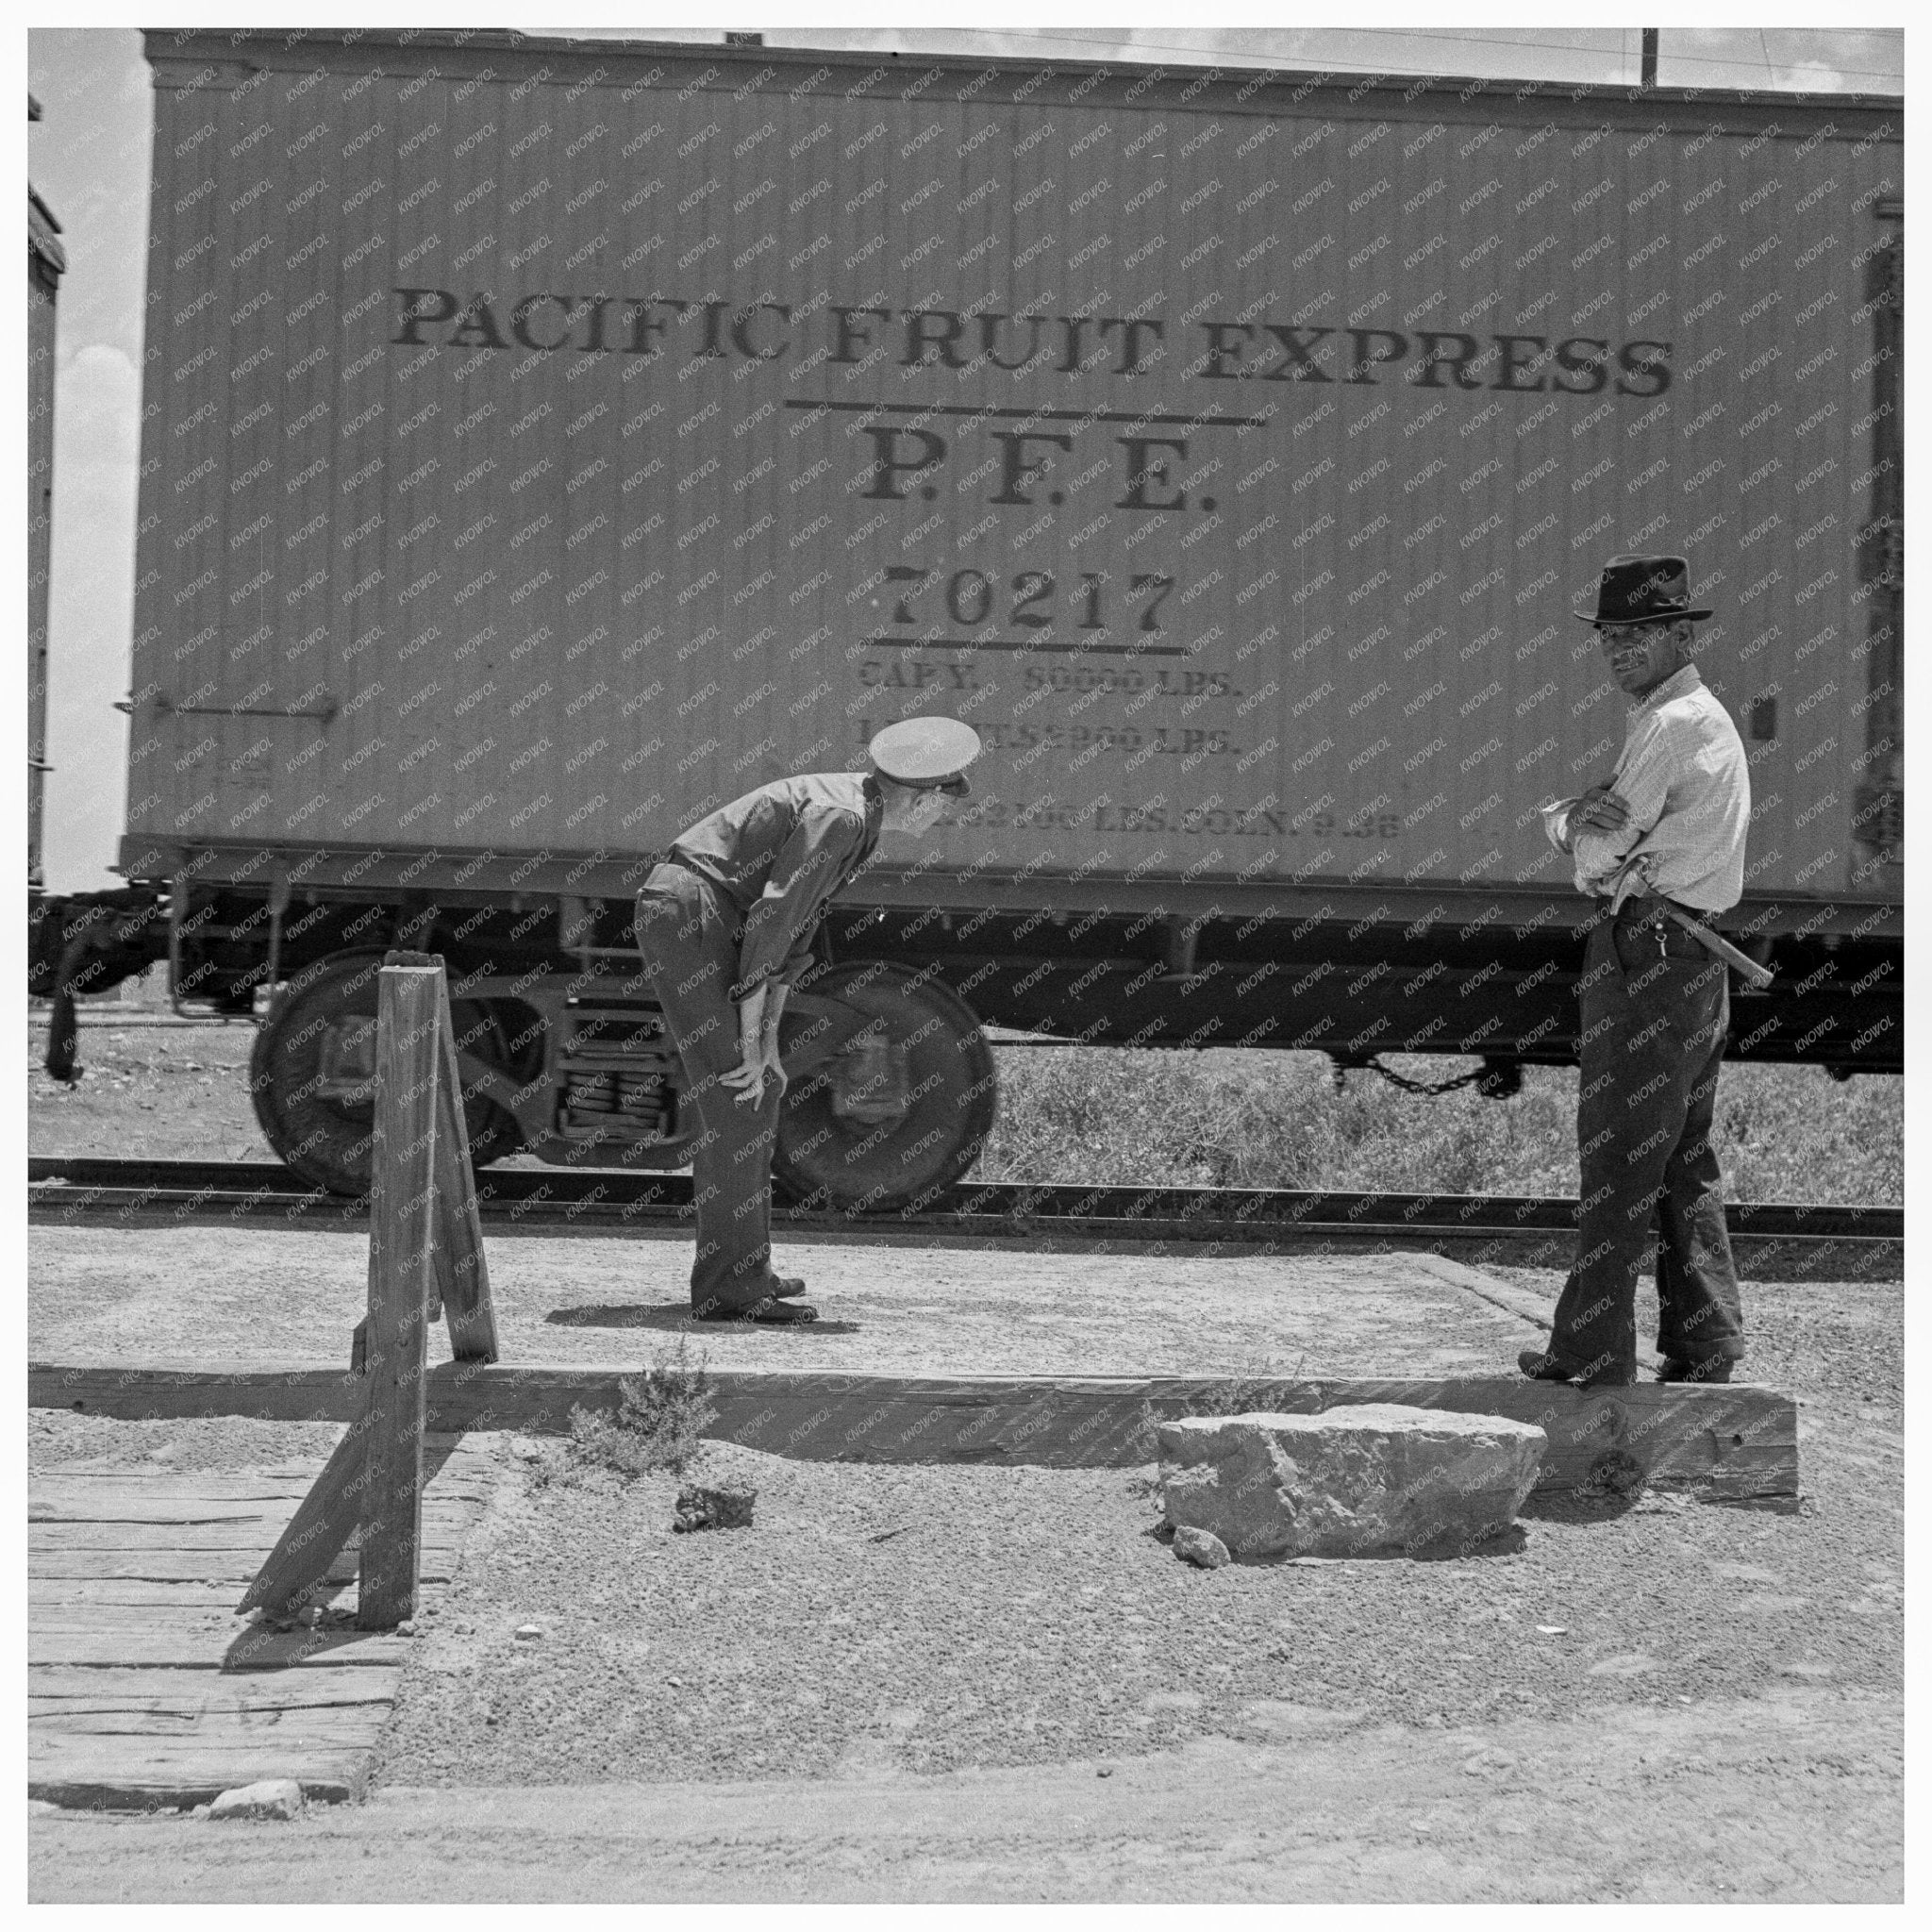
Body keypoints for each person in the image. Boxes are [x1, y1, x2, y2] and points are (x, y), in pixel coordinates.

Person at [633, 717, 981, 1324]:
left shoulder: (854, 809)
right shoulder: (841, 817)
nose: (939, 820)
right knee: (738, 1095)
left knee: (759, 1086)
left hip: (708, 916)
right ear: (925, 796)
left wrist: (766, 1042)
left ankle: (746, 1268)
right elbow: (772, 921)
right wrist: (749, 1040)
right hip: (692, 916)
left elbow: (790, 934)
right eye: (941, 805)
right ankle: (729, 1290)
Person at [1520, 554, 1752, 1389]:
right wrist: (1580, 816)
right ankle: (1703, 1342)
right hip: (1688, 954)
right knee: (1680, 1155)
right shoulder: (1686, 717)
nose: (1619, 648)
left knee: (1619, 1151)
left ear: (1680, 635)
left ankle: (1589, 1353)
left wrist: (1563, 822)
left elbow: (1599, 849)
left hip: (1649, 955)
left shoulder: (1672, 725)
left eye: (1639, 634)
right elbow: (1603, 825)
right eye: (1610, 634)